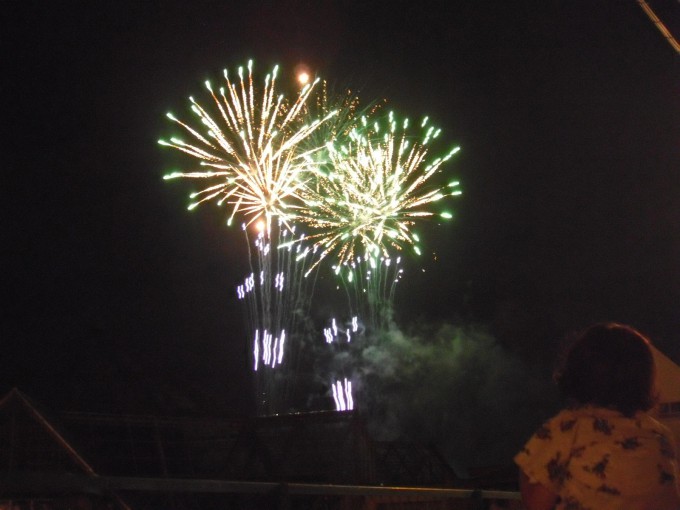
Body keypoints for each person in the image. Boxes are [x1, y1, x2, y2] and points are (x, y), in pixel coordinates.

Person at [514, 322, 680, 510]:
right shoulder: (659, 435)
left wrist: (529, 471)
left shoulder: (568, 427)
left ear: (577, 371)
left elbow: (537, 503)